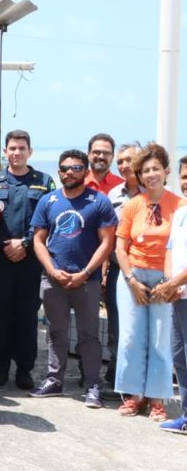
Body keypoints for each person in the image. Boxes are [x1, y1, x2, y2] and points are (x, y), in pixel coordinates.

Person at [28, 150, 116, 407]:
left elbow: (107, 242)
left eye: (76, 168)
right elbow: (38, 240)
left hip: (87, 281)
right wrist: (52, 270)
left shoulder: (99, 201)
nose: (70, 172)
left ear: (86, 172)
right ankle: (54, 380)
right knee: (56, 332)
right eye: (65, 168)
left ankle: (92, 385)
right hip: (53, 280)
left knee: (89, 335)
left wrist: (86, 273)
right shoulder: (48, 200)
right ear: (59, 172)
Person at [113, 143, 179, 420]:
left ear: (166, 171)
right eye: (145, 171)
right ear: (139, 176)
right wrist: (131, 281)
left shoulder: (180, 205)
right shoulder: (132, 205)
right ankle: (133, 396)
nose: (151, 174)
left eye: (155, 169)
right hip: (133, 277)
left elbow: (180, 249)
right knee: (131, 338)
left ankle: (157, 399)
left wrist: (170, 283)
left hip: (165, 280)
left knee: (159, 340)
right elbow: (120, 248)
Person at [0, 130, 55, 389]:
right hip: (0, 259)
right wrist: (5, 245)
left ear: (30, 152)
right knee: (0, 316)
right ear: (5, 152)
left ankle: (24, 369)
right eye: (12, 148)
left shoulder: (44, 182)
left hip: (30, 261)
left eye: (21, 148)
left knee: (27, 317)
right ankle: (0, 366)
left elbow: (48, 218)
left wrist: (24, 243)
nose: (16, 152)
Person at [102, 142, 142, 389]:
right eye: (120, 162)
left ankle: (143, 383)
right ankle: (118, 376)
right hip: (118, 269)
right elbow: (107, 236)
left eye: (129, 160)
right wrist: (105, 269)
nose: (125, 165)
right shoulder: (114, 195)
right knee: (117, 325)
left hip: (149, 269)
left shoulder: (156, 192)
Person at [153, 154, 187, 433]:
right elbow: (170, 250)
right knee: (180, 358)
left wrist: (173, 284)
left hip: (180, 291)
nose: (186, 182)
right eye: (184, 176)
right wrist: (169, 283)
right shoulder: (180, 212)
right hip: (178, 297)